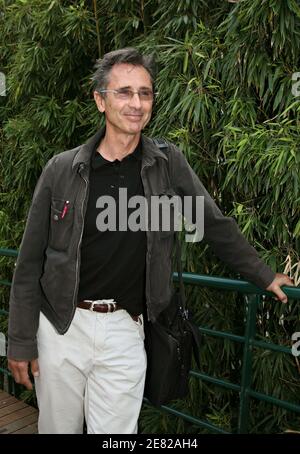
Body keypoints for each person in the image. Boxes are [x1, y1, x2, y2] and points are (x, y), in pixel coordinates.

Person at [7, 47, 293, 434]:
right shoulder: (62, 168)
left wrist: (263, 275)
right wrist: (21, 340)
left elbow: (211, 222)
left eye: (145, 93)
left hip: (127, 329)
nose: (137, 103)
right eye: (124, 92)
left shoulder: (166, 162)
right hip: (61, 325)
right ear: (100, 101)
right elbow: (29, 263)